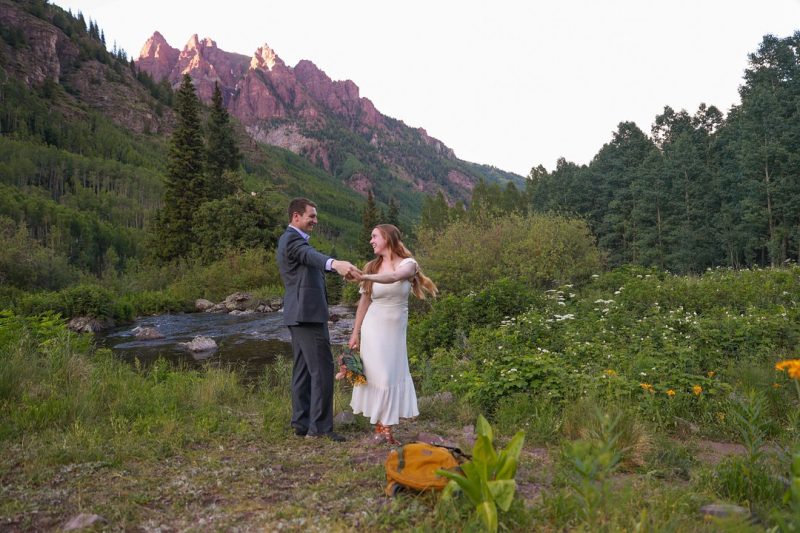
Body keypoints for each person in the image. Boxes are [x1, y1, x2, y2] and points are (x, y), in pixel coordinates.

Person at [277, 197, 360, 442]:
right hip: (307, 316)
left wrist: (337, 269)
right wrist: (335, 263)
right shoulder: (292, 239)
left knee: (303, 370)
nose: (315, 220)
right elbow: (309, 256)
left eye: (315, 216)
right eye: (311, 216)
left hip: (299, 315)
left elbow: (309, 259)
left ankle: (302, 423)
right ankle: (321, 428)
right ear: (296, 217)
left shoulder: (293, 241)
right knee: (323, 370)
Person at [349, 224, 438, 444]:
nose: (371, 241)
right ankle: (384, 428)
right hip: (373, 327)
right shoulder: (371, 266)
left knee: (391, 374)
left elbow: (395, 277)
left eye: (374, 236)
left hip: (395, 331)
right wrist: (355, 333)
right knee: (381, 376)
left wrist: (365, 277)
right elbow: (364, 302)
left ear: (387, 238)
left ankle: (383, 426)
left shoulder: (409, 264)